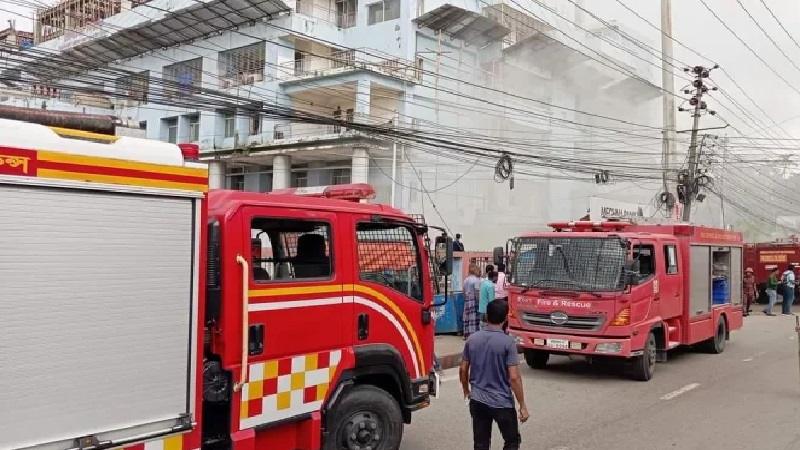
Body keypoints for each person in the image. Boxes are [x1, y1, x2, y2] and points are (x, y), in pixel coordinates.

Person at [460, 299, 528, 450]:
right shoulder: (507, 342)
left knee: (480, 444)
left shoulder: (472, 339)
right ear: (505, 318)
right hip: (502, 402)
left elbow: (463, 369)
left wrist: (466, 391)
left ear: (487, 316)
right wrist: (522, 405)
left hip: (477, 400)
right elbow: (514, 377)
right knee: (511, 442)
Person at [463, 264, 482, 339]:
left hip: (467, 300)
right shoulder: (476, 280)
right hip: (474, 300)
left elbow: (463, 291)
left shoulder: (466, 280)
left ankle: (466, 334)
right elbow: (477, 291)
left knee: (467, 317)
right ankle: (473, 334)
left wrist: (466, 299)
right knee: (473, 317)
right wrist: (479, 300)